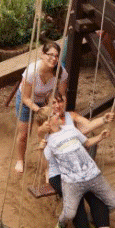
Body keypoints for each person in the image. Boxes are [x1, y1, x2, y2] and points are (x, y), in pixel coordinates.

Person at [38, 92, 115, 228]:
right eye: (53, 103)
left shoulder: (69, 118)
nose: (57, 106)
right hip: (59, 174)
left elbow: (86, 127)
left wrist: (103, 120)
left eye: (60, 102)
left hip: (80, 169)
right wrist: (42, 131)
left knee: (94, 196)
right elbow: (40, 135)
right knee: (78, 202)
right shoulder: (46, 125)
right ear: (47, 107)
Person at [15, 41, 68, 173]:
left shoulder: (61, 72)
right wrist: (39, 110)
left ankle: (48, 166)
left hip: (45, 100)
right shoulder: (32, 71)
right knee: (23, 134)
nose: (54, 58)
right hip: (26, 101)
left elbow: (62, 95)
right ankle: (20, 160)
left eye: (56, 56)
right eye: (50, 55)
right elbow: (26, 98)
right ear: (42, 55)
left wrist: (60, 111)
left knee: (48, 133)